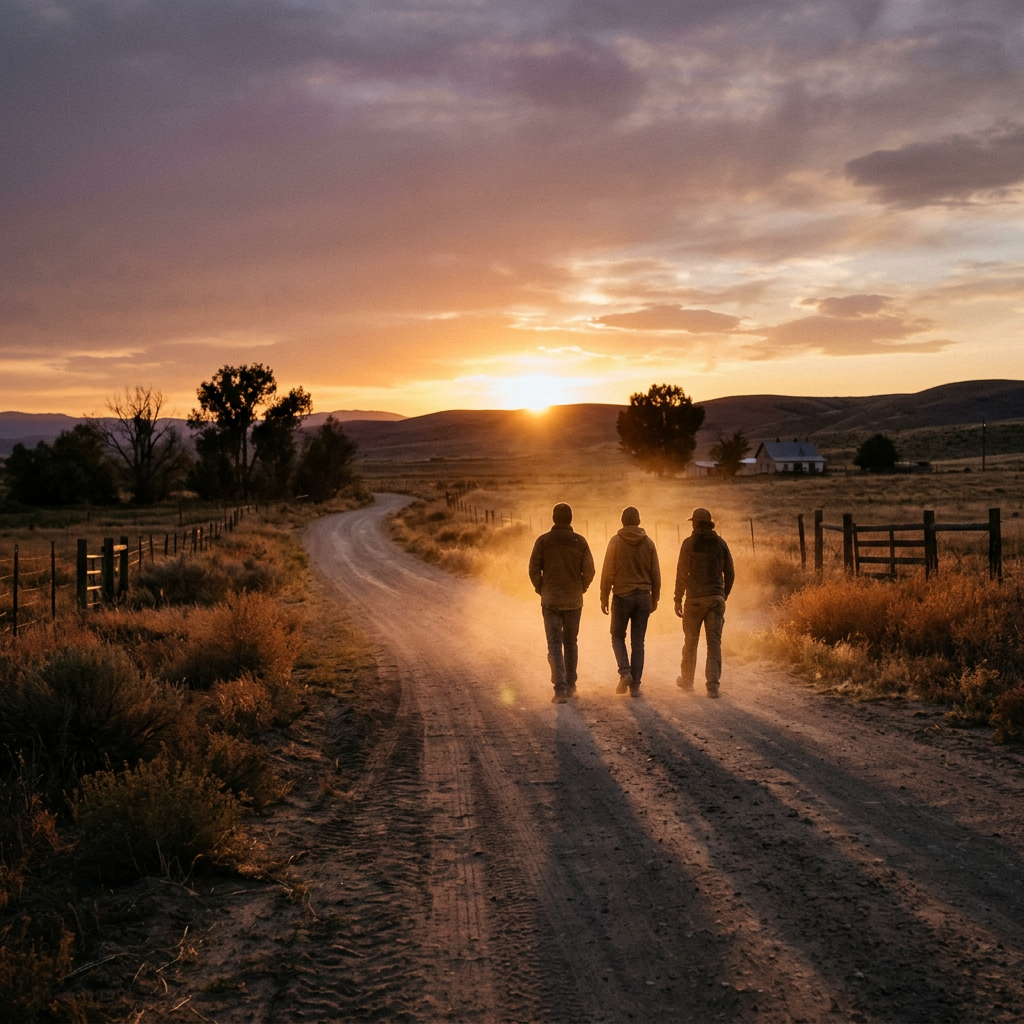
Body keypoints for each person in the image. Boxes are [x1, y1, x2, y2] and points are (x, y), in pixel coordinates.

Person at [529, 503, 596, 703]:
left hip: (550, 600)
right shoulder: (580, 541)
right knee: (571, 642)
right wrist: (581, 587)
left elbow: (533, 569)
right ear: (571, 519)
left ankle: (560, 690)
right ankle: (571, 684)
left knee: (554, 643)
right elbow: (590, 570)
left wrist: (542, 588)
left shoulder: (543, 541)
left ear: (553, 518)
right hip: (574, 600)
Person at [600, 506, 661, 698]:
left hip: (622, 596)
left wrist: (604, 596)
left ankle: (625, 673)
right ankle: (635, 687)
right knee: (638, 642)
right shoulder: (649, 543)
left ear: (622, 521)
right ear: (639, 521)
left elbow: (607, 572)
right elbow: (655, 574)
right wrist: (655, 597)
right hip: (643, 596)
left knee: (617, 636)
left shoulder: (615, 542)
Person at [674, 507, 734, 698]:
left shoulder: (688, 544)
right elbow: (730, 573)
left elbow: (681, 575)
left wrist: (677, 598)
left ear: (695, 523)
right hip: (715, 600)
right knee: (714, 643)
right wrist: (723, 595)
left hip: (694, 601)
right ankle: (713, 686)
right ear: (709, 524)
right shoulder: (720, 543)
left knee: (690, 641)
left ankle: (687, 681)